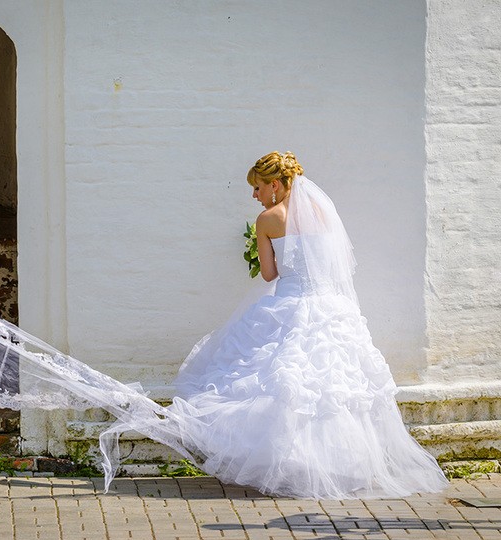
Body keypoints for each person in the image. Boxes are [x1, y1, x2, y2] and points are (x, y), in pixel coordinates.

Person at [164, 151, 448, 498]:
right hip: (332, 308)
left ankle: (291, 464)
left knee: (283, 385)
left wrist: (265, 250)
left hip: (291, 305)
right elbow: (335, 264)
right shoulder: (322, 214)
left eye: (257, 187)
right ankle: (339, 466)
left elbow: (270, 274)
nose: (254, 195)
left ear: (275, 185)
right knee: (334, 388)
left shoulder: (268, 219)